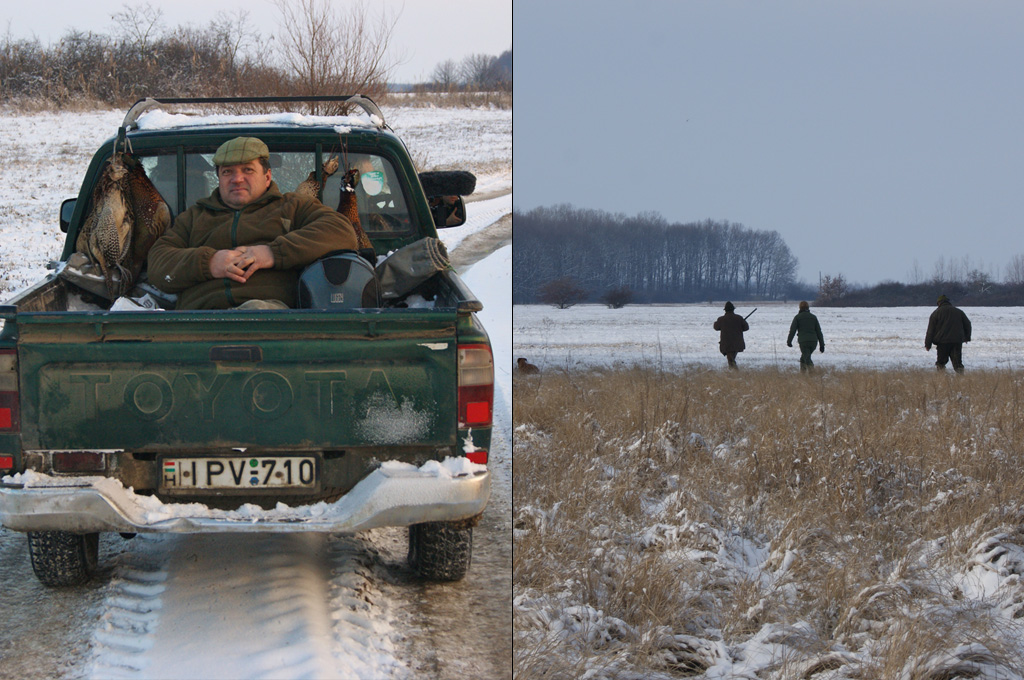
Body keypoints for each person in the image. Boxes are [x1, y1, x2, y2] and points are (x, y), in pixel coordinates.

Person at [148, 137, 358, 310]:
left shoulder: (292, 206)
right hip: (200, 319)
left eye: (247, 170)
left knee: (257, 311)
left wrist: (272, 253)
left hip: (268, 315)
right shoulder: (194, 217)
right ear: (219, 179)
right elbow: (158, 262)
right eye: (227, 172)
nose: (236, 179)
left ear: (267, 177)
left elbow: (341, 230)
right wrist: (209, 263)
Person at [925, 294, 972, 372]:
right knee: (957, 363)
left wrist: (928, 344)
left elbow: (930, 330)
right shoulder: (959, 312)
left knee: (941, 363)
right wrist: (966, 337)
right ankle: (961, 379)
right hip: (956, 341)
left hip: (942, 343)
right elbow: (968, 324)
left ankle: (942, 379)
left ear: (939, 303)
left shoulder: (936, 313)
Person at [786, 301, 825, 372]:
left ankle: (812, 374)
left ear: (800, 307)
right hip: (813, 342)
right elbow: (819, 332)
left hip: (803, 341)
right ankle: (803, 376)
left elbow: (792, 330)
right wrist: (822, 345)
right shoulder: (813, 317)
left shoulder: (797, 317)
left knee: (807, 359)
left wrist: (789, 341)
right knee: (803, 358)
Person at [713, 301, 748, 369]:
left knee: (731, 359)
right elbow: (746, 328)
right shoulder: (739, 318)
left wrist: (716, 322)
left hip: (726, 343)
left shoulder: (721, 319)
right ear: (733, 309)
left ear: (725, 310)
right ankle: (733, 373)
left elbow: (716, 327)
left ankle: (735, 373)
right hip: (737, 342)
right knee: (731, 359)